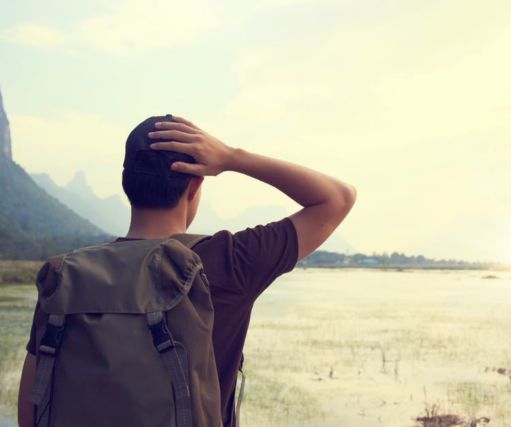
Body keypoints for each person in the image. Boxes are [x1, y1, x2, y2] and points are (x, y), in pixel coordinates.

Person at [17, 114, 357, 426]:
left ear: (127, 185)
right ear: (195, 187)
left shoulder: (67, 276)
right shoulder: (229, 261)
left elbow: (30, 411)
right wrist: (232, 158)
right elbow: (337, 198)